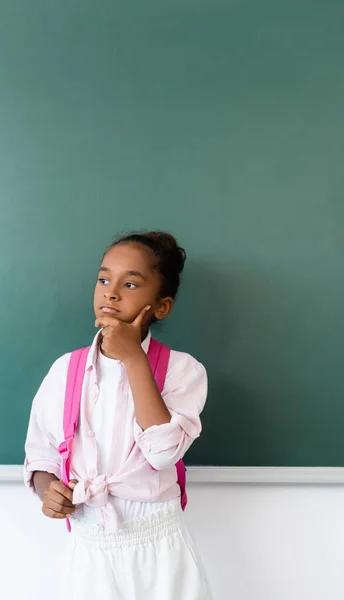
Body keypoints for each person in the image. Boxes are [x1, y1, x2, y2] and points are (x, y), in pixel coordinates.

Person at [24, 231, 212, 599]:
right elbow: (41, 453)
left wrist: (133, 358)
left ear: (161, 307)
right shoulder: (65, 371)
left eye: (130, 283)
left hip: (159, 547)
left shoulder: (184, 371)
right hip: (89, 545)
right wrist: (49, 491)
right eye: (104, 279)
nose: (111, 292)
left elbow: (162, 454)